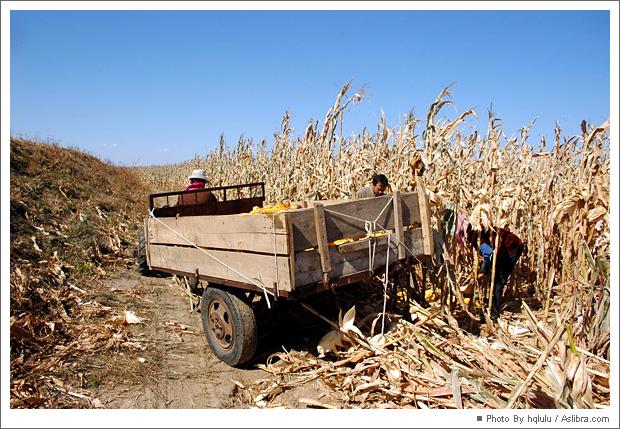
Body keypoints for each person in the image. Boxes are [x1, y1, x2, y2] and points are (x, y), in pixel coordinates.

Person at [467, 224, 524, 321]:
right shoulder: (477, 232)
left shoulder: (474, 235)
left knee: (498, 280)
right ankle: (491, 303)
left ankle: (494, 313)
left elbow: (488, 253)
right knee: (493, 277)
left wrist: (483, 270)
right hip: (504, 249)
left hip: (512, 249)